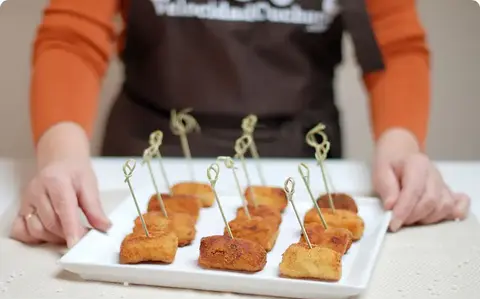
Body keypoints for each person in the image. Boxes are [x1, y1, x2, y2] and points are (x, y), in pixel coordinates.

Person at [10, 0, 470, 248]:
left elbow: (395, 44)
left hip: (300, 154)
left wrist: (403, 142)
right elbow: (72, 35)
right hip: (151, 143)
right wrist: (61, 153)